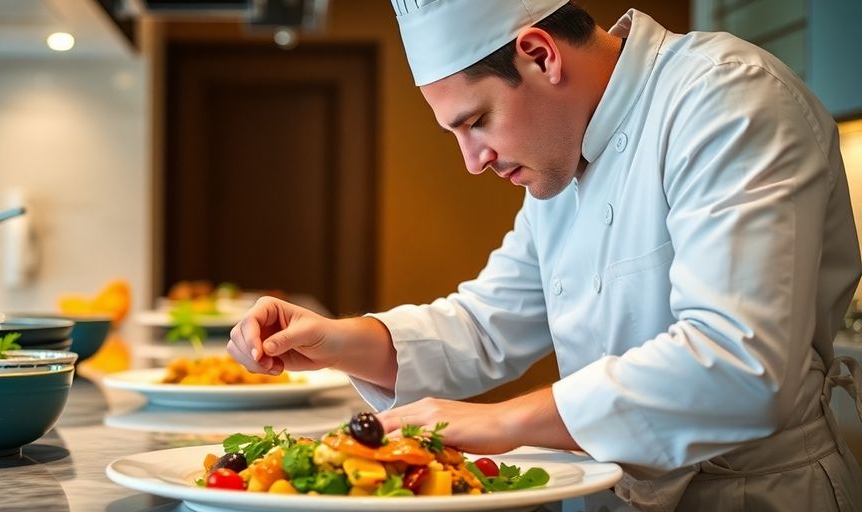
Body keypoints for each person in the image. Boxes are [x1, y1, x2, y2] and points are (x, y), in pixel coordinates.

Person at [227, 1, 862, 509]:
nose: (473, 161)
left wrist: (502, 423)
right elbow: (486, 323)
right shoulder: (566, 156)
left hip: (756, 496)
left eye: (476, 122)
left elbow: (739, 364)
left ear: (539, 54)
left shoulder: (727, 97)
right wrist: (337, 340)